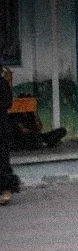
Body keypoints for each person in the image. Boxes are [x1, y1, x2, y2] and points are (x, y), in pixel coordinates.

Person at [0, 66, 20, 205]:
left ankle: (6, 190)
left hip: (1, 126)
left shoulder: (2, 83)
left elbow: (7, 103)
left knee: (2, 158)